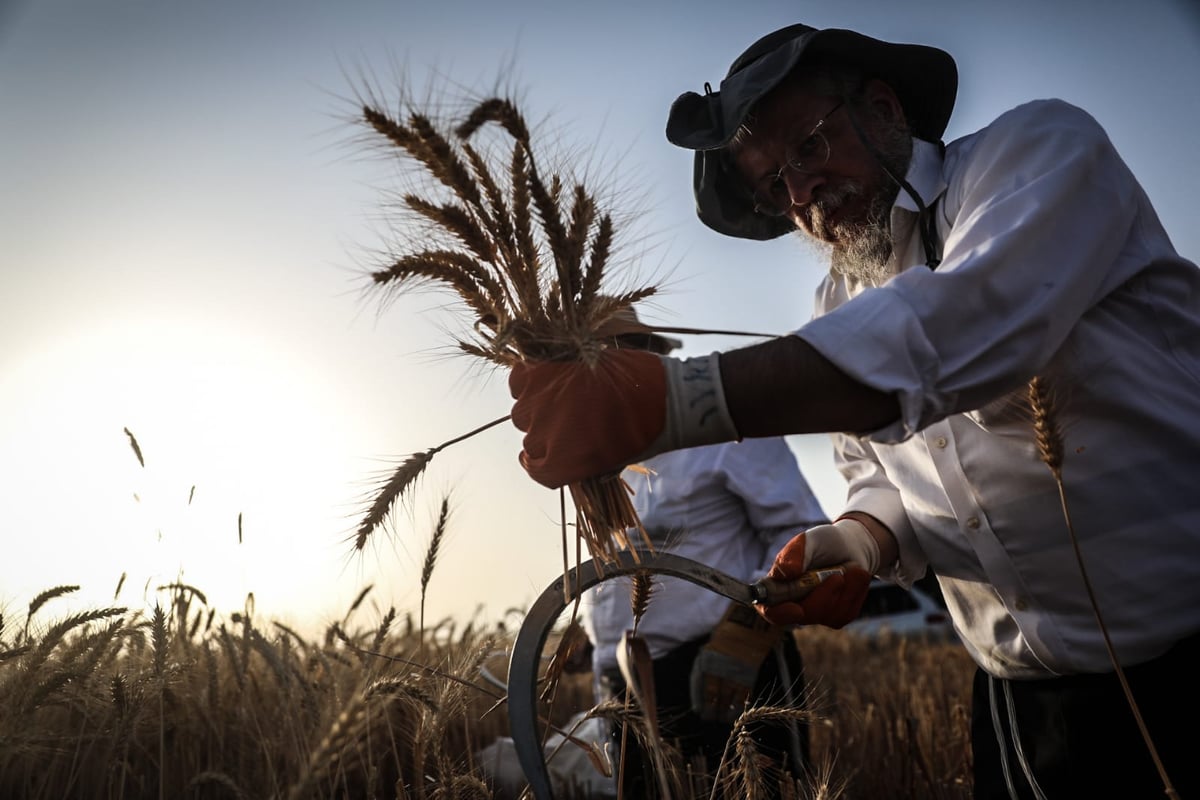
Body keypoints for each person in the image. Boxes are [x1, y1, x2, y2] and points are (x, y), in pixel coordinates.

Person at [506, 22, 1200, 800]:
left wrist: (677, 402)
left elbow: (967, 327)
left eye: (808, 147)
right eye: (775, 186)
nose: (801, 195)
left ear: (883, 109)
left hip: (1183, 661)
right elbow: (881, 478)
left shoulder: (1036, 153)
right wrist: (860, 540)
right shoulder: (837, 303)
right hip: (1018, 697)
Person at [577, 312, 828, 799]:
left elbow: (805, 536)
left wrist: (744, 635)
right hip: (622, 687)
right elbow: (614, 570)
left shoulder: (725, 432)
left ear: (647, 354)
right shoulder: (597, 463)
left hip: (726, 672)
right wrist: (590, 639)